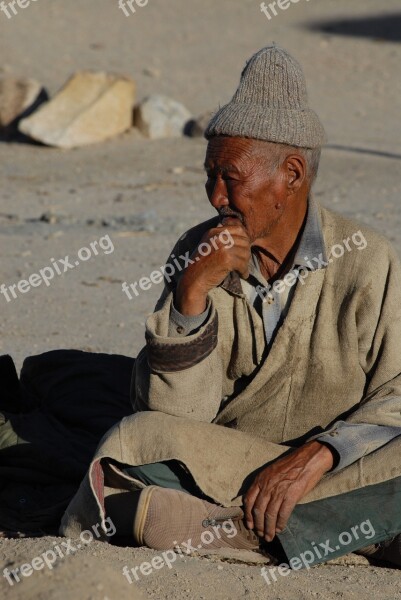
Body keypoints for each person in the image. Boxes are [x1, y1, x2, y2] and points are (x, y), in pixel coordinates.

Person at [61, 45, 401, 568]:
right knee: (132, 439)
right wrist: (191, 295)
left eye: (231, 178)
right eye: (209, 175)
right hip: (236, 468)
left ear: (291, 175)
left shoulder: (369, 259)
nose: (215, 196)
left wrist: (319, 455)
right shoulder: (197, 254)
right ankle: (341, 535)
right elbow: (176, 417)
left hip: (339, 470)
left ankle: (230, 531)